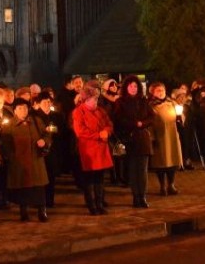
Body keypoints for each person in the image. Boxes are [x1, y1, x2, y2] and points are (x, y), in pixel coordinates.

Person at [0, 97, 50, 222]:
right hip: (19, 163)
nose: (23, 110)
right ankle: (24, 211)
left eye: (25, 108)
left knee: (39, 188)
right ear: (15, 110)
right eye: (20, 108)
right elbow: (6, 144)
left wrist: (44, 141)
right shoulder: (9, 125)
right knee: (23, 188)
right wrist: (12, 157)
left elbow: (47, 134)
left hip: (36, 161)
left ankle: (42, 211)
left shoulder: (36, 121)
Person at [113, 75, 154, 208]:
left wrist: (143, 123)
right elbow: (118, 119)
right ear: (126, 87)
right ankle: (135, 196)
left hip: (142, 139)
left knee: (142, 170)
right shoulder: (120, 102)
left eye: (135, 86)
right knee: (132, 170)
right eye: (131, 86)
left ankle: (142, 196)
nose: (133, 88)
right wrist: (133, 124)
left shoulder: (143, 101)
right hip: (129, 139)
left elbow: (152, 116)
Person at [72, 82, 113, 215]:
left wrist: (107, 131)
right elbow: (80, 131)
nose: (96, 101)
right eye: (93, 99)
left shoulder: (100, 110)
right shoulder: (78, 112)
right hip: (88, 150)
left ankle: (100, 203)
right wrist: (98, 135)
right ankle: (92, 205)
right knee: (90, 179)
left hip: (101, 149)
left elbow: (109, 123)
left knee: (100, 179)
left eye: (96, 99)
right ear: (86, 99)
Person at [147, 82, 183, 195]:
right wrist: (152, 137)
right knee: (161, 163)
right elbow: (148, 123)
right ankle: (162, 185)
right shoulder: (150, 106)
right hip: (160, 137)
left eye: (162, 90)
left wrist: (180, 118)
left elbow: (180, 115)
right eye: (158, 90)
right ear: (152, 93)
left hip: (172, 136)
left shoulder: (171, 103)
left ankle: (171, 184)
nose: (161, 93)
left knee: (173, 161)